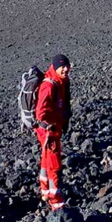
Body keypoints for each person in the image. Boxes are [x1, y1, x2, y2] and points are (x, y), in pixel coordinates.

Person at [34, 54, 72, 211]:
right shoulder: (49, 86)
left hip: (53, 129)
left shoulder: (61, 81)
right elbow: (40, 113)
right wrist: (55, 120)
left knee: (46, 161)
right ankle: (56, 200)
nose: (65, 69)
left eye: (67, 66)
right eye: (62, 67)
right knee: (54, 165)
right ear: (55, 67)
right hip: (48, 131)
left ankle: (45, 191)